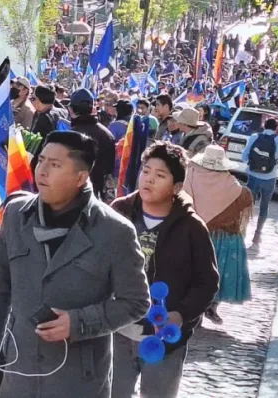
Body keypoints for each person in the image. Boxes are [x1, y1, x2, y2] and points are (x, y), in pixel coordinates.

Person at [0, 131, 150, 397]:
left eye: (54, 165)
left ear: (80, 177)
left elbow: (136, 302)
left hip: (78, 379)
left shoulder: (114, 231)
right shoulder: (17, 215)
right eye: (41, 160)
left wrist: (77, 323)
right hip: (20, 372)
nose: (41, 171)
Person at [110, 142, 219, 398]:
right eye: (146, 171)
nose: (149, 180)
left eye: (160, 176)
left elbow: (207, 281)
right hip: (117, 331)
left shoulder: (191, 227)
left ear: (177, 187)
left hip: (166, 338)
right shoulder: (118, 212)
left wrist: (180, 314)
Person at [183, 144, 253, 325]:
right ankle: (212, 305)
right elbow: (244, 200)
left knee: (191, 272)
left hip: (194, 232)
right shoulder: (232, 184)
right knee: (217, 272)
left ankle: (193, 309)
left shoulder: (190, 175)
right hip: (223, 237)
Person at [242, 117, 278, 249]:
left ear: (264, 126)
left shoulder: (254, 137)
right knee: (264, 207)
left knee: (247, 206)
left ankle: (243, 233)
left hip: (252, 176)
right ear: (276, 128)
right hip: (270, 178)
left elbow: (244, 157)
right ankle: (257, 236)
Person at [69, 89, 116, 202]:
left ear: (71, 110)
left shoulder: (71, 136)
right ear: (92, 109)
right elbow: (110, 170)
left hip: (74, 196)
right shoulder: (107, 134)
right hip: (99, 199)